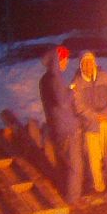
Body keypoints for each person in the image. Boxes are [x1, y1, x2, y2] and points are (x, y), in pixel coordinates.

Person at [71, 51, 107, 194]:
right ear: (81, 65)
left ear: (94, 63)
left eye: (90, 62)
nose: (88, 66)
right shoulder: (77, 83)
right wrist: (95, 117)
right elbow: (78, 107)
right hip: (91, 126)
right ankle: (98, 187)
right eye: (85, 63)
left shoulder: (104, 76)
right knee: (94, 158)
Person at [39, 45, 84, 204]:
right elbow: (62, 102)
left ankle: (65, 194)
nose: (66, 63)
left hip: (57, 126)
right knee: (74, 166)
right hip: (66, 127)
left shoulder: (45, 79)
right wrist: (71, 90)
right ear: (58, 60)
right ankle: (72, 199)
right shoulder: (54, 78)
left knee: (64, 164)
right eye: (64, 59)